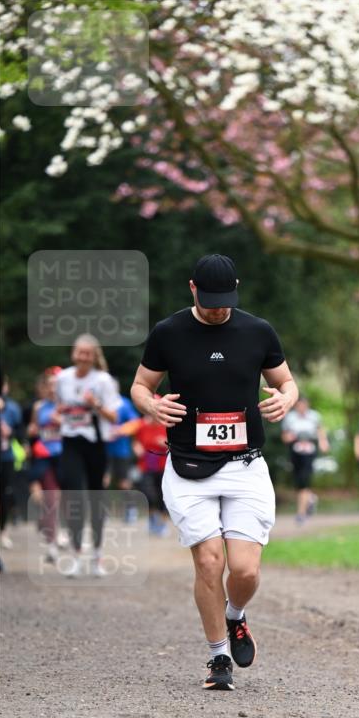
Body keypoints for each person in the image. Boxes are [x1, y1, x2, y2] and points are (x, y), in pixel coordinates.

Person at [130, 253, 298, 691]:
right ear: (192, 289)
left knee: (244, 571)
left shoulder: (258, 331)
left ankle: (235, 616)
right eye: (209, 301)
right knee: (209, 562)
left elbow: (287, 382)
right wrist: (152, 405)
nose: (218, 308)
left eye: (225, 300)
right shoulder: (168, 333)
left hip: (245, 465)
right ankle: (217, 657)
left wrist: (287, 399)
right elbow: (140, 386)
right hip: (187, 467)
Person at [56, 334, 120, 576]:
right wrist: (60, 412)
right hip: (71, 441)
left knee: (95, 499)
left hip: (95, 443)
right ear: (73, 353)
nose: (82, 357)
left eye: (87, 353)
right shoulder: (62, 378)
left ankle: (96, 556)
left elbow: (114, 417)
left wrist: (95, 405)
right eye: (79, 352)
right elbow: (59, 408)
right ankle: (75, 555)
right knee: (73, 496)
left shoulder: (103, 381)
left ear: (94, 356)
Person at [27, 369, 63, 562]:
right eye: (49, 385)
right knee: (51, 498)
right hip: (44, 457)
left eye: (55, 385)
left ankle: (49, 526)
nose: (52, 389)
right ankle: (52, 544)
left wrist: (62, 422)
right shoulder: (39, 407)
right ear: (44, 388)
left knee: (61, 499)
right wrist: (32, 431)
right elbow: (32, 430)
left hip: (64, 457)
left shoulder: (66, 406)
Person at [281, 395, 329, 524]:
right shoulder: (290, 418)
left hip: (310, 451)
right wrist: (289, 437)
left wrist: (323, 442)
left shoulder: (314, 416)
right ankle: (311, 498)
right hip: (295, 451)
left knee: (304, 479)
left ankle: (300, 514)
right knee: (298, 480)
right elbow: (285, 435)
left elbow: (320, 431)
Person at [105, 378, 141, 522]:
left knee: (124, 482)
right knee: (103, 480)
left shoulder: (124, 403)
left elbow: (136, 422)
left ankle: (130, 509)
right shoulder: (100, 403)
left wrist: (120, 430)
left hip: (121, 450)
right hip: (103, 449)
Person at [132, 400, 169, 535]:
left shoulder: (167, 425)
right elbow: (136, 442)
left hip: (162, 466)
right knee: (148, 495)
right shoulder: (142, 426)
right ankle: (153, 520)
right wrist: (137, 448)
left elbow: (177, 446)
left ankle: (163, 524)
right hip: (146, 465)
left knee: (163, 496)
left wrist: (165, 444)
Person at [0, 371, 23, 549]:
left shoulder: (12, 407)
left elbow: (21, 433)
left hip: (5, 456)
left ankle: (3, 531)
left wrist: (10, 432)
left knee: (4, 495)